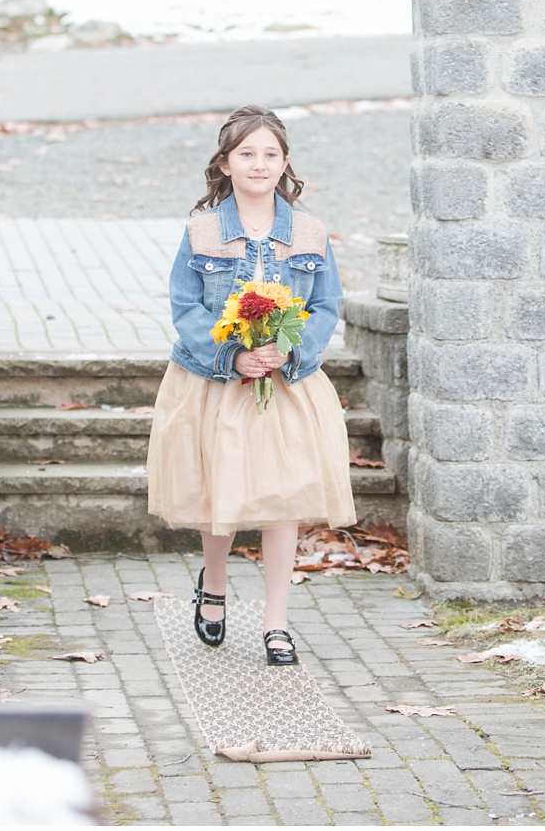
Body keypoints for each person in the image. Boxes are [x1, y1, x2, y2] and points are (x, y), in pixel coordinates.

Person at [147, 105, 355, 667]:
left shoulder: (309, 232)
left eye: (270, 154)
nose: (258, 164)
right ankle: (213, 582)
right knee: (224, 492)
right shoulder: (203, 232)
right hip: (216, 385)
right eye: (247, 154)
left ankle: (276, 622)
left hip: (286, 385)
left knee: (281, 500)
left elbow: (325, 304)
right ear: (225, 163)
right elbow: (185, 304)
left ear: (285, 163)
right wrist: (231, 355)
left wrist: (287, 349)